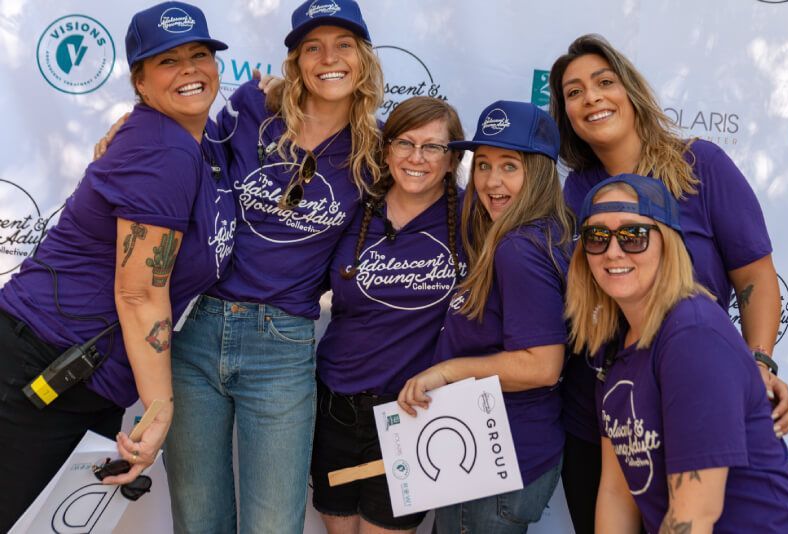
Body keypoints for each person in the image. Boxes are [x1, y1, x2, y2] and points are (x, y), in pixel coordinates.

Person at [0, 2, 235, 530]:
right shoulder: (165, 151)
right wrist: (160, 410)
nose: (191, 69)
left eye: (200, 54)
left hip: (79, 378)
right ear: (141, 81)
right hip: (38, 368)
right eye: (168, 61)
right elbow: (139, 294)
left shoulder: (188, 143)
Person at [548, 34, 788, 533]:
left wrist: (758, 364)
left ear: (630, 90)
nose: (590, 97)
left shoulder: (700, 166)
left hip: (694, 393)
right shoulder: (574, 191)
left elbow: (756, 276)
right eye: (573, 92)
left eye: (603, 81)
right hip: (607, 410)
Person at [162, 1, 384, 532]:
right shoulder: (251, 108)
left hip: (281, 345)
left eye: (343, 45)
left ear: (364, 59)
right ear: (296, 60)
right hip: (196, 329)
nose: (329, 57)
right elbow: (183, 148)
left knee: (274, 525)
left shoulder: (374, 153)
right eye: (313, 46)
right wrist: (131, 129)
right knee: (198, 517)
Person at [566, 174, 788, 533]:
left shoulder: (692, 334)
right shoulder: (612, 348)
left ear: (667, 244)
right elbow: (617, 493)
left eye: (633, 236)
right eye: (597, 237)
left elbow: (693, 516)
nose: (613, 251)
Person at [398, 101, 574, 534]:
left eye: (509, 166)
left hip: (497, 461)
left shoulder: (519, 248)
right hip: (497, 454)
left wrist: (446, 372)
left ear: (538, 173)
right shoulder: (527, 231)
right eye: (484, 165)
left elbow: (542, 365)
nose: (491, 181)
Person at [311, 96, 465, 534]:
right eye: (405, 143)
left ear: (452, 159)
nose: (416, 158)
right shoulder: (355, 206)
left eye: (433, 147)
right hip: (335, 407)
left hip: (411, 415)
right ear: (386, 149)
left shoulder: (473, 218)